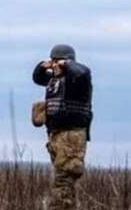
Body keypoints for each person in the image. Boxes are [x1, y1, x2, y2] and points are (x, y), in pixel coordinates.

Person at [33, 44, 93, 210]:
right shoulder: (54, 81)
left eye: (57, 61)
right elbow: (37, 78)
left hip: (71, 137)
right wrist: (42, 66)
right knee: (63, 181)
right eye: (53, 62)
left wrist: (66, 64)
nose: (55, 66)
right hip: (56, 136)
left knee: (63, 182)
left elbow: (83, 71)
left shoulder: (78, 81)